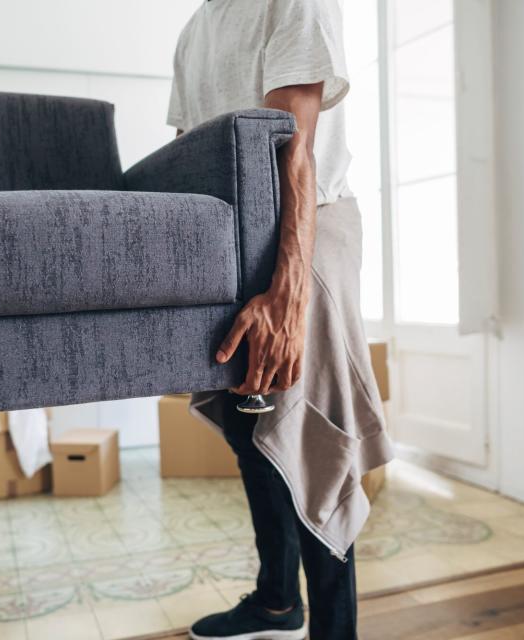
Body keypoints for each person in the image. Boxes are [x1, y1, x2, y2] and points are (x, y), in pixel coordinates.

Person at [169, 1, 395, 638]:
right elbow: (190, 154)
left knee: (313, 434)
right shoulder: (194, 31)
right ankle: (276, 602)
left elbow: (292, 143)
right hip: (235, 240)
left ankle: (334, 627)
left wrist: (289, 286)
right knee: (248, 422)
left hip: (308, 225)